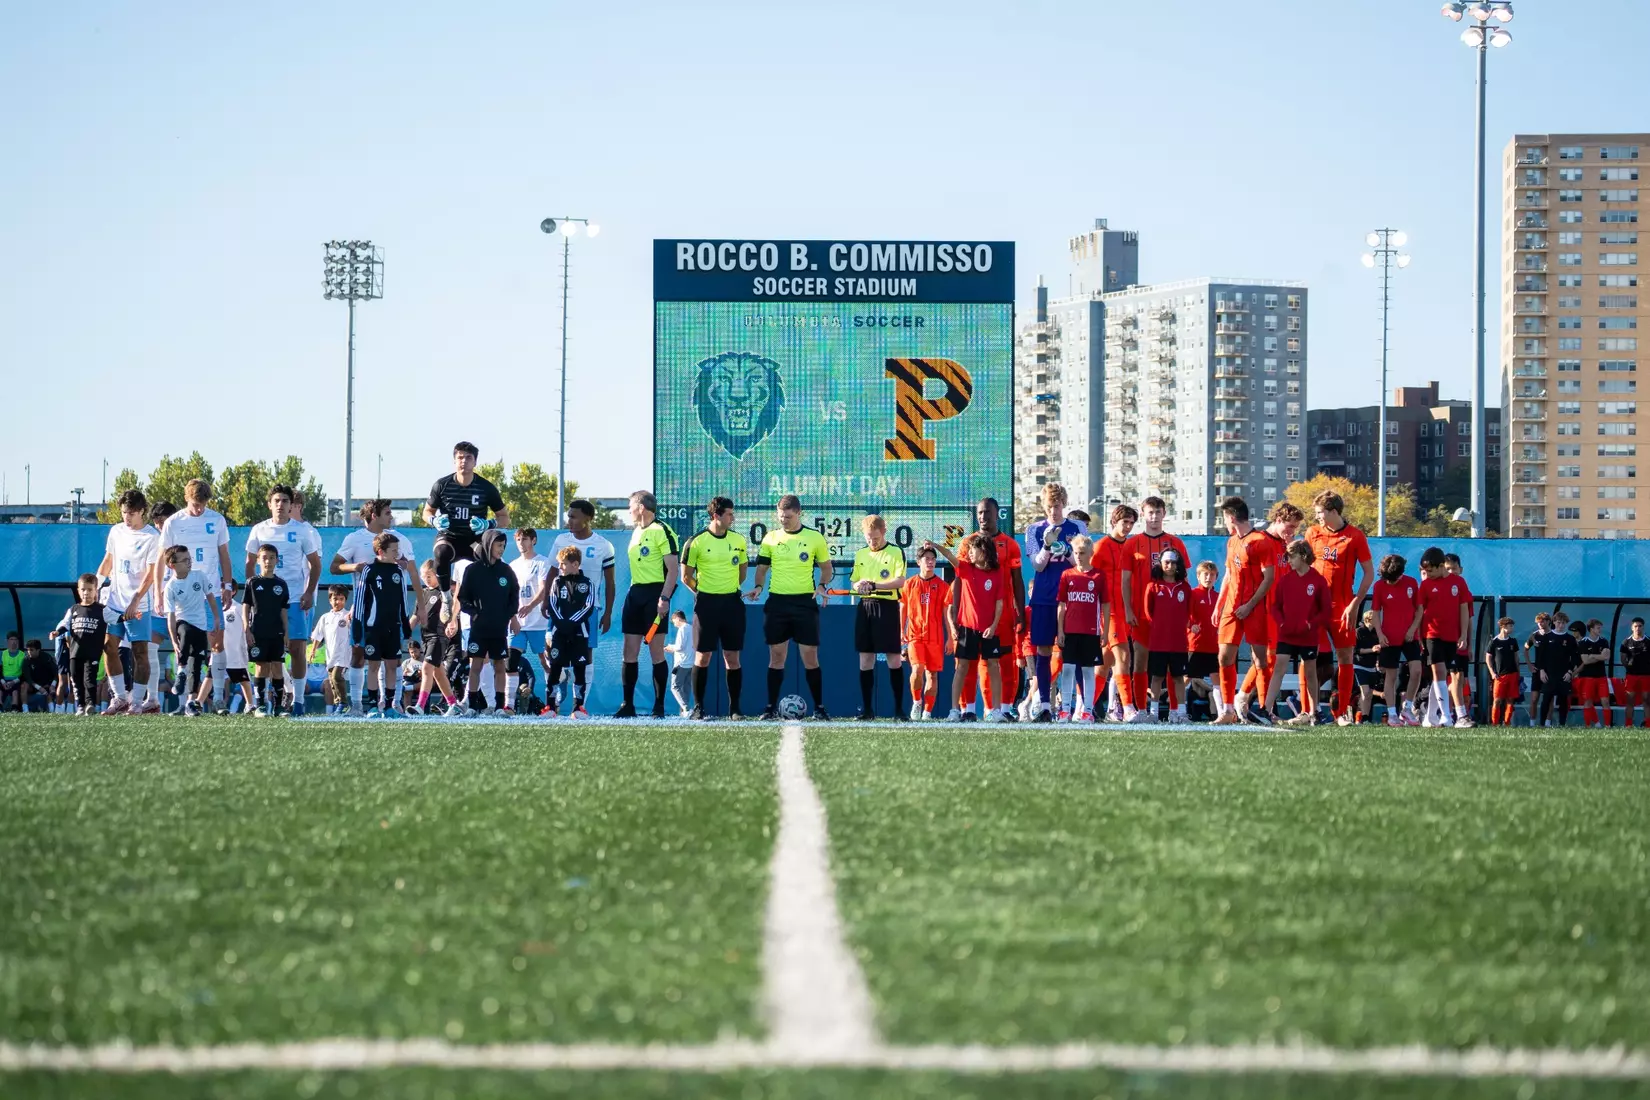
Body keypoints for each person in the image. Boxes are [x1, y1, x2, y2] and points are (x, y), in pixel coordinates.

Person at [746, 495, 832, 721]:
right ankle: (770, 707)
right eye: (780, 516)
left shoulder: (814, 537)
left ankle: (820, 708)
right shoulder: (771, 538)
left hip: (805, 603)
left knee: (810, 657)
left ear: (799, 513)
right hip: (777, 603)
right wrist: (757, 587)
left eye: (788, 516)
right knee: (776, 657)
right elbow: (762, 569)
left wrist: (822, 585)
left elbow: (826, 568)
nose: (783, 520)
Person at [332, 499, 420, 715]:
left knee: (393, 660)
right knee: (361, 657)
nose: (392, 517)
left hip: (391, 614)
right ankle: (358, 705)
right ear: (374, 515)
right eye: (388, 513)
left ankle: (393, 703)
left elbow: (412, 571)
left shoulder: (400, 539)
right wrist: (355, 567)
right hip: (366, 612)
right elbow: (334, 566)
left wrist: (422, 606)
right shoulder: (355, 539)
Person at [243, 485, 322, 716]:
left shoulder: (303, 531)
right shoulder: (259, 530)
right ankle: (263, 703)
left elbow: (315, 565)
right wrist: (254, 594)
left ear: (291, 505)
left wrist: (308, 593)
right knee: (264, 655)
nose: (280, 504)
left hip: (295, 599)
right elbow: (249, 564)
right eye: (276, 500)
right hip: (264, 605)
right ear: (270, 504)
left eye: (285, 501)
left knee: (296, 649)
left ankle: (297, 702)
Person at [157, 479, 235, 706]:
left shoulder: (217, 520)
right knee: (186, 646)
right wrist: (158, 591)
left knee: (216, 644)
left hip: (209, 592)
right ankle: (185, 702)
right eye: (195, 503)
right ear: (186, 499)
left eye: (202, 504)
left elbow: (224, 556)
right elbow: (161, 560)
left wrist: (227, 586)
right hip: (182, 594)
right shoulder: (173, 522)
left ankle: (218, 698)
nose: (199, 508)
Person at [1304, 491, 1374, 726]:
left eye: (1320, 513)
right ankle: (1308, 711)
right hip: (1314, 607)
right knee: (1308, 657)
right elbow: (1302, 568)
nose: (1317, 518)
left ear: (1334, 511)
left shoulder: (1355, 536)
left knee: (1345, 657)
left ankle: (1341, 713)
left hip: (1342, 607)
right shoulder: (1312, 533)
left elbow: (1369, 574)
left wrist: (1355, 603)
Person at [1119, 496, 1190, 722]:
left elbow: (1185, 583)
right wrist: (1129, 610)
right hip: (1141, 616)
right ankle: (1141, 710)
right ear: (1143, 514)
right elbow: (1125, 581)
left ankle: (1175, 712)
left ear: (1164, 514)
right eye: (1150, 513)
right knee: (1140, 661)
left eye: (1158, 512)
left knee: (1171, 665)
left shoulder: (1175, 542)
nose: (1154, 517)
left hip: (1169, 620)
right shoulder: (1132, 544)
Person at [425, 441, 510, 623]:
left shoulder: (486, 487)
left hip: (474, 539)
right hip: (450, 536)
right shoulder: (442, 485)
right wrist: (434, 521)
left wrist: (488, 524)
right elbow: (427, 511)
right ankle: (447, 597)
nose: (464, 461)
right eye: (460, 457)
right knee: (441, 552)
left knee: (488, 557)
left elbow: (505, 517)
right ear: (454, 461)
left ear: (475, 462)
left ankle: (486, 601)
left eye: (468, 458)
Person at [957, 497, 1026, 719]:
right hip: (973, 615)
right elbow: (959, 579)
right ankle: (967, 710)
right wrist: (956, 611)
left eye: (987, 512)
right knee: (968, 663)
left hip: (1001, 614)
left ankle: (1003, 709)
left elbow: (1017, 581)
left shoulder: (1011, 545)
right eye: (979, 513)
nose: (982, 517)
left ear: (997, 515)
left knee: (1002, 663)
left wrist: (1020, 613)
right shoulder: (968, 543)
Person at [681, 497, 748, 720]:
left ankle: (735, 709)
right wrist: (703, 593)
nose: (733, 517)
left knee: (732, 657)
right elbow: (685, 576)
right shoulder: (696, 541)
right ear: (716, 515)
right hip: (706, 604)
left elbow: (742, 571)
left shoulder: (739, 540)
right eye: (729, 514)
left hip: (732, 604)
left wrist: (729, 589)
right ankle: (699, 708)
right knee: (703, 656)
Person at [1023, 483, 1086, 721]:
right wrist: (1048, 546)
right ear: (1044, 506)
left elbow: (1081, 561)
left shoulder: (1077, 527)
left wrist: (1067, 551)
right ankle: (1045, 705)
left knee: (1075, 651)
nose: (1054, 511)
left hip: (1073, 597)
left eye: (1057, 506)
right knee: (1043, 650)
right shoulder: (1034, 530)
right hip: (1044, 596)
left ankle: (1081, 707)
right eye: (1049, 506)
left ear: (1064, 504)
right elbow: (1037, 565)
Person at [1234, 501, 1302, 722]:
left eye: (1295, 528)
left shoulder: (1287, 545)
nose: (1291, 531)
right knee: (1267, 658)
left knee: (1269, 659)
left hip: (1281, 608)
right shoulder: (1261, 540)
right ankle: (1262, 706)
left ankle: (1247, 698)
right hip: (1263, 607)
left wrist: (1292, 550)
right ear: (1278, 519)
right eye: (1289, 526)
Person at [98, 489, 162, 715]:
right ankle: (119, 697)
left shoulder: (152, 537)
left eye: (131, 513)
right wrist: (96, 586)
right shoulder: (116, 531)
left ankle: (137, 701)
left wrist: (136, 600)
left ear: (142, 511)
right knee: (109, 647)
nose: (126, 517)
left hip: (138, 606)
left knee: (140, 653)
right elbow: (108, 561)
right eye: (124, 512)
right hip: (115, 602)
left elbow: (151, 573)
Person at [929, 534, 1007, 722]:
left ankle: (996, 711)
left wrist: (994, 625)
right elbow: (949, 555)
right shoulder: (965, 569)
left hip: (989, 629)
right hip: (967, 628)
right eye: (969, 549)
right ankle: (955, 710)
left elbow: (999, 603)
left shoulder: (997, 573)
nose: (969, 553)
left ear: (984, 551)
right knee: (962, 667)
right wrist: (934, 545)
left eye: (973, 549)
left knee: (993, 666)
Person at [617, 491, 681, 718]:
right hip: (635, 593)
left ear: (641, 507)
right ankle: (628, 705)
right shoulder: (636, 532)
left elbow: (673, 570)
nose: (629, 511)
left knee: (656, 652)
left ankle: (659, 706)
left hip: (655, 595)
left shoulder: (662, 530)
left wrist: (664, 599)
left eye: (630, 506)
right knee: (629, 652)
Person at [1213, 497, 1276, 726]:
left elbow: (1269, 578)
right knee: (1224, 656)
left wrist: (1249, 605)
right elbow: (1228, 576)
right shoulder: (1231, 542)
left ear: (1231, 517)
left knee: (1260, 659)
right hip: (1231, 607)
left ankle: (1262, 710)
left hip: (1255, 608)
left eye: (1224, 518)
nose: (1225, 522)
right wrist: (1220, 605)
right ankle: (1228, 710)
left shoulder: (1261, 541)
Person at [549, 499, 617, 699]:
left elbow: (610, 582)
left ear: (588, 518)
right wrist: (546, 602)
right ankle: (553, 698)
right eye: (568, 516)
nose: (569, 520)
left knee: (585, 655)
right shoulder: (561, 540)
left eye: (573, 516)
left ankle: (580, 706)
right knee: (553, 652)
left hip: (588, 610)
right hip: (560, 610)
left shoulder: (604, 546)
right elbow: (551, 573)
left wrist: (608, 613)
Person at [453, 528, 519, 716]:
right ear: (488, 544)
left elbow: (514, 595)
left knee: (500, 666)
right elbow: (462, 597)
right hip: (478, 628)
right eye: (499, 545)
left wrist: (508, 615)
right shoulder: (472, 570)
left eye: (504, 546)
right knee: (476, 666)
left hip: (499, 628)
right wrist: (474, 614)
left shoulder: (506, 571)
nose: (501, 549)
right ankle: (472, 706)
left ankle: (499, 707)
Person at [849, 515, 908, 720]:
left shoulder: (895, 552)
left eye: (875, 538)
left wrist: (875, 585)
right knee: (865, 659)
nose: (871, 542)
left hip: (887, 606)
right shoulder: (860, 554)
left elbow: (900, 581)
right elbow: (854, 581)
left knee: (894, 658)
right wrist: (861, 586)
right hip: (865, 606)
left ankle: (899, 710)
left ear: (883, 532)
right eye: (868, 538)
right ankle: (867, 710)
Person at [1271, 539, 1331, 726]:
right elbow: (1275, 607)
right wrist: (1281, 624)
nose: (1289, 561)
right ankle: (1266, 708)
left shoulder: (1318, 580)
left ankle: (1315, 712)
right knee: (1279, 668)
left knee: (1311, 673)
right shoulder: (1285, 580)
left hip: (1308, 637)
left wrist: (1310, 625)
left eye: (1292, 556)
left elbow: (1326, 611)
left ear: (1303, 556)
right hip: (1287, 634)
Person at [1414, 546, 1473, 728]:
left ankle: (1430, 716)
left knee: (1440, 675)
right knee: (1439, 672)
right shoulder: (1425, 585)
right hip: (1432, 635)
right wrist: (1415, 633)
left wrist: (1463, 634)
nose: (1428, 574)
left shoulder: (1459, 583)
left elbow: (1464, 610)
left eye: (1430, 571)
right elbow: (1420, 612)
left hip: (1452, 637)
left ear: (1441, 566)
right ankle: (1447, 716)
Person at [50, 575, 124, 715]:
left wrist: (129, 616)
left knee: (89, 679)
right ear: (78, 590)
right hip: (75, 652)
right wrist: (57, 632)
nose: (86, 593)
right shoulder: (73, 609)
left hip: (92, 652)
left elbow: (116, 618)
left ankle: (90, 705)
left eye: (90, 590)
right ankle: (80, 706)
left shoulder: (101, 609)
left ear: (96, 590)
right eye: (83, 589)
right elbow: (66, 624)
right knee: (76, 680)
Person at [359, 532, 415, 718]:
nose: (397, 554)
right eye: (394, 550)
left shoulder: (398, 572)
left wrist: (406, 628)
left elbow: (403, 602)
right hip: (373, 628)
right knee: (374, 666)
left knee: (392, 665)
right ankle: (373, 706)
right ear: (381, 551)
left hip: (393, 628)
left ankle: (391, 705)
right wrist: (358, 629)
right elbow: (360, 602)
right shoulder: (369, 570)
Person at [163, 544, 222, 716]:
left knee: (196, 664)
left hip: (201, 626)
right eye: (185, 560)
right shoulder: (171, 587)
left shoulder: (199, 576)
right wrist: (174, 639)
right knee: (185, 632)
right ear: (172, 565)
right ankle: (180, 671)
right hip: (183, 622)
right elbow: (171, 616)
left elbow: (210, 597)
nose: (189, 562)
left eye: (190, 559)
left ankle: (191, 703)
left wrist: (216, 617)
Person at [1054, 535, 1108, 723]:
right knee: (1067, 669)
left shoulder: (1099, 576)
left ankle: (1087, 710)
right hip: (1070, 631)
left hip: (1091, 632)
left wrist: (1105, 631)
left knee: (1087, 671)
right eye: (1076, 553)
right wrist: (1060, 630)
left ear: (1091, 553)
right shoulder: (1067, 575)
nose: (1078, 556)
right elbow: (1061, 604)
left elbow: (1106, 605)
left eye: (1082, 553)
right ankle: (1065, 710)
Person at [1092, 505, 1137, 720]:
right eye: (1124, 522)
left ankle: (1084, 707)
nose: (1127, 527)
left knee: (1104, 664)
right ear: (1114, 521)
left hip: (1126, 612)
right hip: (1109, 613)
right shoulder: (1101, 546)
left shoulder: (1131, 547)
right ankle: (1127, 708)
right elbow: (1090, 578)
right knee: (1124, 656)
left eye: (1131, 523)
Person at [541, 544, 597, 718]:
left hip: (579, 633)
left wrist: (571, 623)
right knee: (555, 668)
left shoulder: (588, 583)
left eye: (563, 564)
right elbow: (553, 604)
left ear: (575, 564)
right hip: (560, 633)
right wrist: (562, 624)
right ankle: (550, 707)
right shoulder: (557, 582)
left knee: (579, 670)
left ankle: (578, 708)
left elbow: (588, 607)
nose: (560, 567)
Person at [900, 545, 952, 720]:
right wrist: (901, 630)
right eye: (926, 559)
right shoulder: (909, 583)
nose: (930, 562)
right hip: (915, 635)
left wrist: (951, 638)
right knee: (917, 669)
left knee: (932, 674)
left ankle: (927, 712)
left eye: (933, 559)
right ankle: (916, 702)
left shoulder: (943, 586)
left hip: (936, 638)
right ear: (918, 562)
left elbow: (947, 614)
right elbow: (903, 608)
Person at [1371, 554, 1422, 727]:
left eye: (1395, 579)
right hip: (1389, 638)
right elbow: (1376, 612)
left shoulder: (1412, 583)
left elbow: (1419, 610)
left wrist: (1412, 629)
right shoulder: (1379, 586)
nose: (1392, 582)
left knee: (1416, 671)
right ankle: (1392, 714)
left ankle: (1407, 709)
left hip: (1410, 636)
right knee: (1390, 675)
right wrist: (1380, 634)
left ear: (1401, 573)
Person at [1144, 548, 1194, 723]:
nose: (1170, 566)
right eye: (1166, 562)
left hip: (1179, 642)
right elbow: (1148, 612)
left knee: (1178, 678)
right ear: (1160, 564)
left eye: (1173, 562)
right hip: (1158, 642)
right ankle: (1153, 713)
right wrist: (1159, 627)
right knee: (1157, 677)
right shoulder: (1152, 586)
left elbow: (1189, 612)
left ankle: (1180, 713)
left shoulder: (1185, 588)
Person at [505, 527, 552, 707]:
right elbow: (509, 594)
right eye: (518, 540)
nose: (521, 543)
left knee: (546, 663)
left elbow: (543, 589)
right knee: (511, 662)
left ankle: (551, 704)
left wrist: (531, 605)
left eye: (525, 539)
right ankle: (508, 706)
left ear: (533, 540)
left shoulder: (542, 563)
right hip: (518, 623)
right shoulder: (512, 565)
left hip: (539, 623)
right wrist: (512, 616)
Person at [243, 544, 291, 717]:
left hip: (276, 632)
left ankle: (278, 707)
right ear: (258, 560)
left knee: (278, 667)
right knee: (261, 667)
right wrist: (246, 629)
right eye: (264, 557)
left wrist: (286, 632)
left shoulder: (281, 584)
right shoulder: (252, 582)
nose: (268, 561)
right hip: (258, 631)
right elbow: (246, 607)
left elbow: (284, 611)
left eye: (271, 558)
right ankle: (261, 706)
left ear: (277, 560)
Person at [409, 561, 461, 717]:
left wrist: (453, 624)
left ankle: (419, 705)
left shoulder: (444, 594)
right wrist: (404, 632)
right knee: (438, 672)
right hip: (426, 638)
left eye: (429, 576)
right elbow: (415, 617)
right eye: (423, 576)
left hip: (438, 637)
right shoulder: (422, 594)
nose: (426, 579)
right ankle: (453, 705)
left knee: (426, 668)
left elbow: (453, 611)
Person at [308, 586, 354, 715]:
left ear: (345, 600)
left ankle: (343, 703)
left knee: (336, 676)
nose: (338, 602)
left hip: (344, 653)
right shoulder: (325, 617)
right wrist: (313, 651)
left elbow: (354, 630)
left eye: (341, 599)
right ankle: (337, 705)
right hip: (330, 655)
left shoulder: (347, 615)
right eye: (335, 599)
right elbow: (318, 636)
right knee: (332, 680)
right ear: (329, 600)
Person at [1442, 553, 1476, 722]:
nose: (1451, 572)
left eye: (1454, 568)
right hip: (1445, 642)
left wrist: (1469, 645)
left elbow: (1469, 621)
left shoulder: (1463, 590)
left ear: (1460, 569)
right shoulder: (1439, 588)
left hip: (1460, 643)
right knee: (1451, 678)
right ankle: (1453, 714)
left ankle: (1452, 713)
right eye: (1447, 569)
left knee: (1459, 680)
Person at [1185, 561, 1221, 721]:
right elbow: (1183, 616)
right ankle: (1175, 709)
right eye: (1205, 574)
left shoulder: (1219, 597)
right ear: (1198, 576)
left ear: (1216, 578)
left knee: (1217, 680)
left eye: (1212, 575)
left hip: (1214, 647)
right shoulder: (1192, 594)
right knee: (1185, 678)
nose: (1208, 577)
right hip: (1195, 645)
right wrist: (1191, 625)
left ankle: (1222, 712)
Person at [218, 579, 256, 715]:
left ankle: (250, 704)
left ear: (233, 591)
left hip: (235, 652)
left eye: (224, 587)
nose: (220, 590)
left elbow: (247, 626)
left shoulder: (238, 608)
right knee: (213, 678)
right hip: (219, 651)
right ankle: (205, 703)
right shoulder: (214, 607)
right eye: (219, 587)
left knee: (243, 678)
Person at [1486, 617, 1522, 727]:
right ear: (1503, 627)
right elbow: (1488, 658)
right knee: (1497, 700)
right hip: (1499, 676)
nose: (1512, 628)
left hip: (1513, 674)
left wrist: (1518, 672)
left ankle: (1507, 723)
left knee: (1510, 699)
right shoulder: (1494, 642)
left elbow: (1516, 658)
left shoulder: (1513, 641)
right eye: (1510, 626)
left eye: (1512, 626)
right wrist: (1492, 672)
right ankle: (1495, 723)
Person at [1576, 619, 1612, 729]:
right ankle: (1588, 726)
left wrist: (1592, 656)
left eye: (1600, 627)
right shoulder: (1583, 642)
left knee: (1605, 700)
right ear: (1591, 629)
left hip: (1601, 676)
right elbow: (1585, 661)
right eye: (1598, 628)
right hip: (1588, 677)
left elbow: (1606, 657)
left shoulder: (1604, 641)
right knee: (1588, 701)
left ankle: (1608, 726)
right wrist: (1599, 656)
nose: (1600, 630)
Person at [1352, 609, 1381, 723]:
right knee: (1365, 691)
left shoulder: (1376, 633)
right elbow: (1356, 650)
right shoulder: (1358, 631)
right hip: (1360, 665)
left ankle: (1366, 717)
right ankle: (1363, 717)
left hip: (1372, 666)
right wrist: (1372, 650)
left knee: (1369, 694)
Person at [1621, 617, 1650, 728]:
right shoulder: (1626, 642)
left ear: (1643, 627)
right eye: (1635, 626)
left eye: (1640, 626)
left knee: (1647, 701)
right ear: (1632, 628)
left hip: (1646, 676)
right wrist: (1629, 665)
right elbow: (1623, 660)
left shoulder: (1648, 642)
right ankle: (1628, 725)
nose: (1638, 628)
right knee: (1630, 701)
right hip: (1631, 676)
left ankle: (1648, 725)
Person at [664, 609, 694, 717]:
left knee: (675, 686)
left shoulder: (682, 629)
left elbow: (679, 647)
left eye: (674, 621)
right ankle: (685, 710)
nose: (674, 624)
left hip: (681, 663)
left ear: (678, 618)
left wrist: (670, 647)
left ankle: (686, 709)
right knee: (686, 687)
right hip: (691, 663)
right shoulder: (691, 628)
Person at [21, 639, 56, 712]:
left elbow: (56, 673)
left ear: (38, 650)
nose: (29, 652)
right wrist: (39, 688)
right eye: (28, 650)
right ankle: (25, 710)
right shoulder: (26, 659)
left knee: (49, 693)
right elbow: (28, 678)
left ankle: (53, 711)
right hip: (33, 685)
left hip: (46, 683)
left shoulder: (47, 657)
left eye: (31, 650)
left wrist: (52, 685)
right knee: (24, 685)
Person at [0, 632, 23, 711]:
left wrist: (13, 681)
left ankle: (14, 708)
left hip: (16, 680)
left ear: (18, 641)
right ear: (7, 641)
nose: (13, 642)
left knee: (15, 690)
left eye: (15, 639)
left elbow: (24, 673)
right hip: (3, 680)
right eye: (11, 639)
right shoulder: (2, 654)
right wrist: (3, 682)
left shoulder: (23, 655)